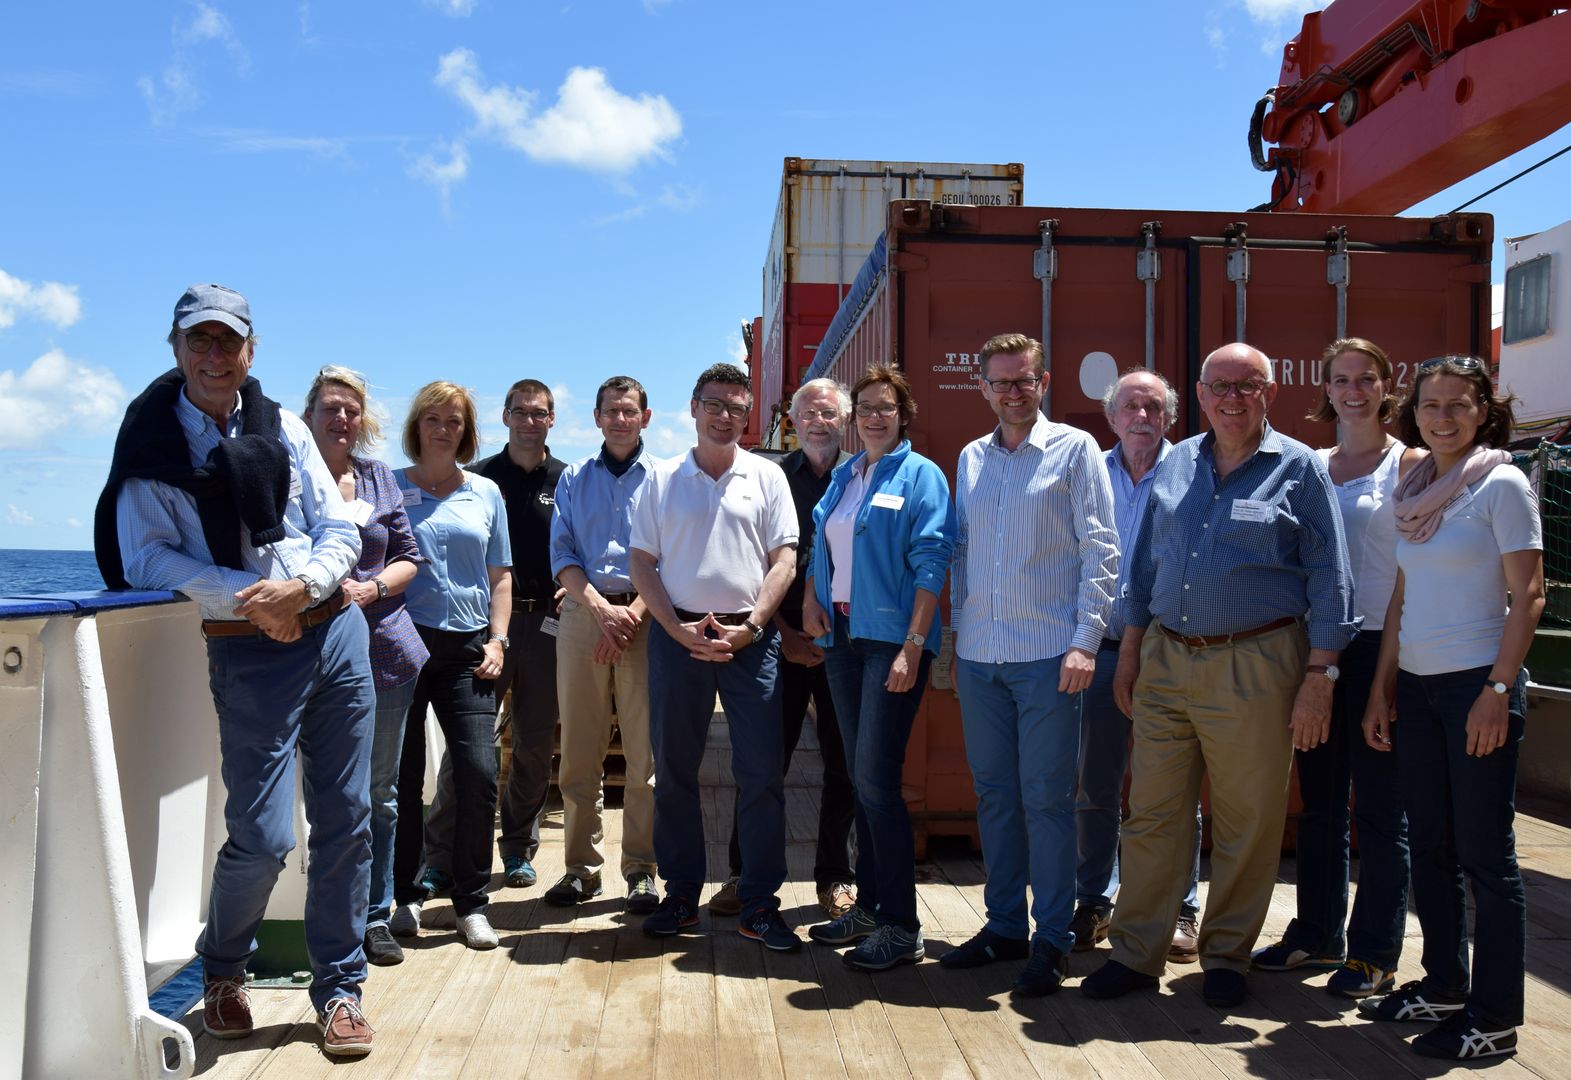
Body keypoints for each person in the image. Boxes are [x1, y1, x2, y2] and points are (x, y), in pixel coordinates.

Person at [96, 284, 376, 1056]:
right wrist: (256, 600)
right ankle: (224, 971)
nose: (215, 356)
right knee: (261, 832)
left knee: (346, 819)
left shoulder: (281, 424)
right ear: (176, 348)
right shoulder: (153, 441)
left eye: (230, 342)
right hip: (248, 647)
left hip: (334, 632)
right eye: (200, 341)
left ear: (252, 351)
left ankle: (340, 989)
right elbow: (144, 552)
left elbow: (336, 526)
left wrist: (306, 587)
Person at [1082, 342, 1356, 1011]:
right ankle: (1135, 951)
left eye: (1248, 385)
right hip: (1167, 657)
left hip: (1256, 662)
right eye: (1219, 386)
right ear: (1200, 395)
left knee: (1246, 818)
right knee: (1150, 814)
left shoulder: (1297, 469)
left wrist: (1320, 672)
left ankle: (1226, 955)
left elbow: (1330, 576)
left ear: (1269, 393)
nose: (1232, 398)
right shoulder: (1177, 461)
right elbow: (1144, 562)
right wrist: (1134, 648)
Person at [1358, 355, 1542, 1061]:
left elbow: (1527, 596)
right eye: (1430, 405)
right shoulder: (1416, 485)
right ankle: (1441, 984)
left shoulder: (1500, 484)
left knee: (1484, 857)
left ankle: (1492, 1018)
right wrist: (1380, 686)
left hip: (1475, 688)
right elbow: (1401, 596)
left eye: (1457, 405)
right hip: (1416, 685)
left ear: (1482, 410)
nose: (1441, 417)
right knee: (1428, 845)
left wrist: (1496, 692)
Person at [942, 333, 1119, 997]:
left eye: (1023, 381)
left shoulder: (1074, 451)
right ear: (982, 388)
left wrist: (1085, 641)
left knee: (1045, 801)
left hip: (1050, 655)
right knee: (993, 798)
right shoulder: (970, 458)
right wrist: (956, 640)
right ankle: (1002, 927)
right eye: (1000, 382)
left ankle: (1050, 940)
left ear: (1042, 384)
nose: (1012, 392)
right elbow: (962, 553)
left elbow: (1101, 550)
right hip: (981, 656)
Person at [1250, 338, 1418, 997]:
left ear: (1385, 386)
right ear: (1326, 388)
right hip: (1318, 646)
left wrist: (1389, 673)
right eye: (1341, 379)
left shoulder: (1409, 465)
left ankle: (1374, 951)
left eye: (1365, 378)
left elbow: (1413, 575)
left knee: (1379, 808)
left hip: (1383, 645)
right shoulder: (1311, 464)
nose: (1353, 390)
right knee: (1316, 803)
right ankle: (1315, 934)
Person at [629, 362, 801, 951]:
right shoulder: (662, 477)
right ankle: (680, 896)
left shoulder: (767, 477)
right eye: (713, 404)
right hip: (678, 639)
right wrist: (677, 630)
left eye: (735, 407)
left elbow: (784, 560)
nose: (724, 416)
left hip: (750, 642)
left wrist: (752, 625)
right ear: (693, 407)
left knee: (761, 776)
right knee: (674, 772)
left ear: (748, 414)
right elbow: (641, 563)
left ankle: (758, 902)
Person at [801, 366, 955, 970]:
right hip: (842, 640)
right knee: (860, 782)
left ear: (903, 414)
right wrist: (813, 596)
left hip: (892, 644)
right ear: (850, 417)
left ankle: (901, 924)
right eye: (863, 407)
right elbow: (825, 546)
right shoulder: (845, 474)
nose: (873, 416)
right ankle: (868, 905)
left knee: (878, 785)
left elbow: (931, 559)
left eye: (885, 407)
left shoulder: (921, 476)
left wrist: (914, 645)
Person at [711, 378, 859, 921]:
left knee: (843, 765)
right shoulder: (770, 477)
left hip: (847, 644)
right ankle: (742, 873)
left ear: (843, 419)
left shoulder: (860, 475)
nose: (819, 422)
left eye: (829, 413)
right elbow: (750, 563)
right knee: (762, 762)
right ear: (793, 421)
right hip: (778, 640)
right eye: (809, 414)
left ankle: (835, 878)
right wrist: (786, 633)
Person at [1073, 368, 1203, 963]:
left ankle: (1179, 905)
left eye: (1154, 406)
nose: (1142, 416)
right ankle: (1093, 900)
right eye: (1131, 406)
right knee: (1096, 785)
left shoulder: (1195, 472)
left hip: (1170, 653)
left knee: (1173, 791)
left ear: (1170, 417)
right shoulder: (1088, 472)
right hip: (1100, 652)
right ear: (1112, 416)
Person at [301, 366, 430, 969]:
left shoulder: (378, 477)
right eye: (331, 407)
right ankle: (327, 919)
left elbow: (409, 557)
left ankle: (375, 916)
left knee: (379, 795)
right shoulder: (288, 475)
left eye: (352, 409)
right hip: (305, 654)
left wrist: (371, 590)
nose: (341, 419)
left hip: (384, 652)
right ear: (309, 414)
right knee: (324, 797)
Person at [422, 379, 565, 894]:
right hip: (488, 629)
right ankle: (439, 854)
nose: (531, 421)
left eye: (540, 413)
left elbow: (584, 544)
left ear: (552, 419)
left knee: (532, 743)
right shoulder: (479, 479)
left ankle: (518, 848)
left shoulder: (565, 480)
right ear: (505, 417)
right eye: (521, 412)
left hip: (549, 626)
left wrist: (577, 583)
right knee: (469, 747)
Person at [388, 382, 512, 950]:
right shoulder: (388, 486)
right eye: (434, 418)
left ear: (466, 432)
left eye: (455, 421)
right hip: (402, 647)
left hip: (469, 649)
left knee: (479, 772)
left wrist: (499, 640)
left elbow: (501, 575)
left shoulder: (485, 492)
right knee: (402, 775)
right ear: (418, 425)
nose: (444, 429)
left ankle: (470, 901)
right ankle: (405, 896)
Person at [545, 375, 662, 913]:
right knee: (580, 751)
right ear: (596, 418)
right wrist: (600, 610)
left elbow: (672, 556)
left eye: (629, 410)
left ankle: (641, 869)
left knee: (644, 756)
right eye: (610, 411)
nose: (620, 419)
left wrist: (632, 614)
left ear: (646, 416)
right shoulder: (574, 477)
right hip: (583, 614)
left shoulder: (664, 479)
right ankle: (580, 869)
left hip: (647, 617)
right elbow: (563, 551)